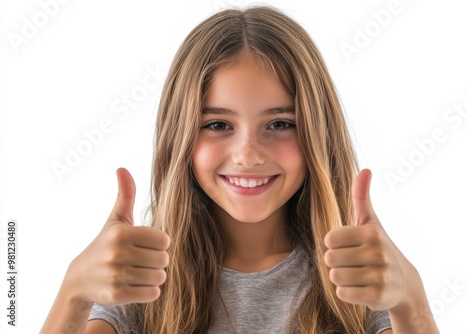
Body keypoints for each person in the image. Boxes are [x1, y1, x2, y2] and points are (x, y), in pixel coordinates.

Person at [41, 6, 439, 334]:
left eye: (280, 124)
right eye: (217, 125)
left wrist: (411, 300)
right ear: (179, 138)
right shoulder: (138, 285)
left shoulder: (361, 285)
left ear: (318, 134)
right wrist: (74, 290)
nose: (248, 154)